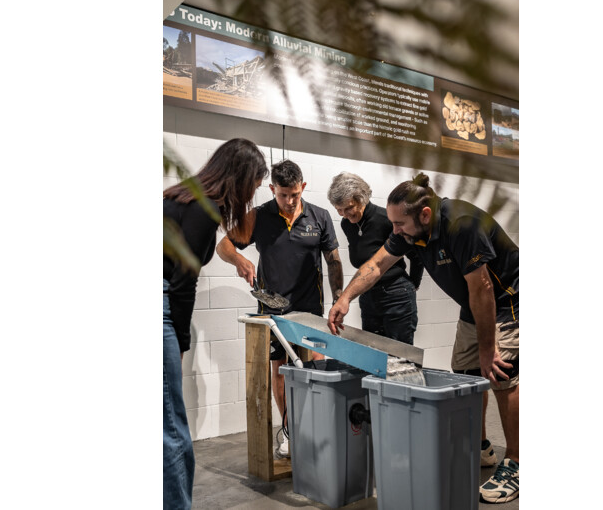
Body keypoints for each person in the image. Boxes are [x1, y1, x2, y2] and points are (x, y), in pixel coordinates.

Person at [327, 173, 520, 504]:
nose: (395, 230)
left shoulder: (461, 224)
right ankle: (481, 446)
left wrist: (488, 350)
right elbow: (376, 265)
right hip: (474, 304)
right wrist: (346, 297)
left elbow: (484, 288)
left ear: (425, 215)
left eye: (399, 223)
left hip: (509, 301)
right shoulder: (410, 230)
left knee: (501, 376)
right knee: (465, 374)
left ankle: (517, 462)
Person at [163, 138, 269, 510]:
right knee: (171, 426)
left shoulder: (185, 198)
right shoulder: (205, 207)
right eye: (254, 185)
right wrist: (179, 339)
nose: (253, 193)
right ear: (240, 178)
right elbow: (183, 281)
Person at [216, 159, 343, 460]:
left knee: (314, 370)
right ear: (272, 189)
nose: (288, 201)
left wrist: (339, 296)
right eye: (283, 194)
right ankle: (289, 431)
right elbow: (224, 246)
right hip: (272, 311)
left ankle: (314, 429)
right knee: (281, 371)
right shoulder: (258, 217)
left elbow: (334, 260)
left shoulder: (320, 216)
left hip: (310, 310)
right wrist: (240, 260)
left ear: (303, 188)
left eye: (294, 195)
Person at [327, 172, 423, 344]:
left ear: (361, 197)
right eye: (339, 209)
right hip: (368, 295)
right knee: (374, 355)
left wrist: (413, 284)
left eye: (348, 207)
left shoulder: (386, 219)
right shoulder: (347, 224)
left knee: (400, 357)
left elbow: (416, 255)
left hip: (396, 293)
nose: (344, 214)